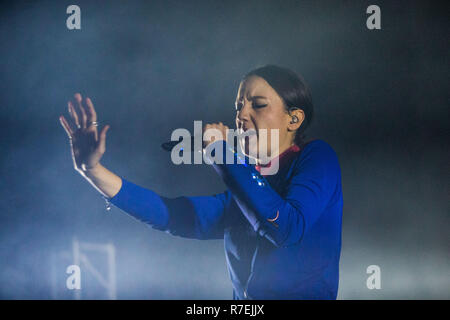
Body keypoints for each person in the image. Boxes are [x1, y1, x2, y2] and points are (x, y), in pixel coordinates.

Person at [59, 64, 343, 300]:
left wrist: (221, 152)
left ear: (293, 119)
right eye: (238, 107)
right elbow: (174, 215)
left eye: (257, 105)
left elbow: (285, 227)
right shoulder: (246, 189)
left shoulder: (317, 158)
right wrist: (92, 170)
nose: (241, 115)